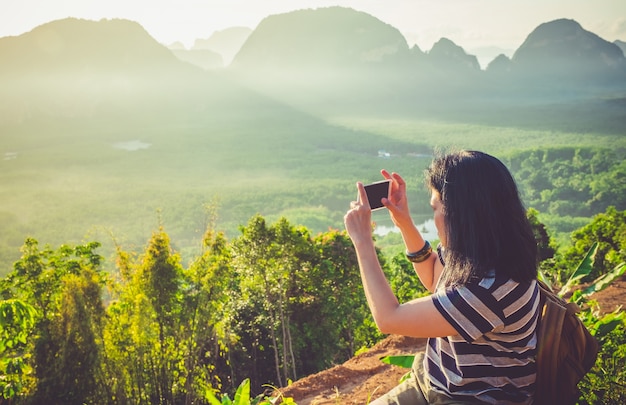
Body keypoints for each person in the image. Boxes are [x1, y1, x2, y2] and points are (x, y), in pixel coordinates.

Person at [344, 150, 539, 404]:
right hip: (434, 380)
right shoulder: (479, 249)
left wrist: (362, 241)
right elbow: (434, 278)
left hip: (470, 398)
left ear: (461, 216)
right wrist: (403, 221)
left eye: (435, 208)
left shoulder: (490, 289)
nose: (433, 216)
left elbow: (389, 319)